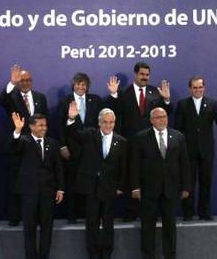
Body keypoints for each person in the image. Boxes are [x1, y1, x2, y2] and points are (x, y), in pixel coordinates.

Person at [107, 61, 172, 222]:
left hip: (152, 143)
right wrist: (114, 96)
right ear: (135, 74)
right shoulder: (124, 94)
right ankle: (130, 212)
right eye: (142, 74)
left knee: (152, 177)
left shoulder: (156, 93)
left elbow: (165, 116)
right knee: (131, 176)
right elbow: (116, 117)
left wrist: (167, 100)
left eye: (147, 75)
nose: (145, 77)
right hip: (131, 144)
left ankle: (153, 212)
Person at [57, 73, 121, 224]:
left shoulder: (95, 100)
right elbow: (59, 125)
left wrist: (113, 94)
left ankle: (91, 216)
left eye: (84, 84)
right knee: (73, 182)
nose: (81, 87)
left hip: (93, 149)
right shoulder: (66, 101)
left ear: (87, 86)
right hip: (73, 149)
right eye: (78, 84)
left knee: (93, 183)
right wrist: (63, 145)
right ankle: (72, 216)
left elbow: (108, 113)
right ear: (73, 85)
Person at [66, 105, 127, 259]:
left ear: (115, 123)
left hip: (109, 188)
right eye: (105, 122)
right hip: (91, 187)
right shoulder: (90, 134)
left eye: (111, 122)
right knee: (91, 223)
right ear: (99, 123)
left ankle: (106, 254)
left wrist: (120, 186)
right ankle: (93, 254)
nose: (108, 125)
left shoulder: (121, 141)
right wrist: (72, 119)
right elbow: (73, 134)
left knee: (108, 223)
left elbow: (124, 167)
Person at [130, 108, 190, 259]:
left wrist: (186, 187)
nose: (161, 120)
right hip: (149, 190)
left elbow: (185, 164)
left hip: (171, 190)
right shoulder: (141, 137)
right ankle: (148, 255)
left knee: (170, 227)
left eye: (164, 117)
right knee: (147, 227)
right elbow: (135, 164)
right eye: (157, 117)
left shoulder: (178, 137)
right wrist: (135, 186)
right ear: (151, 120)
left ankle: (170, 255)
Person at [175, 76, 217, 221]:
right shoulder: (182, 104)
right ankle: (188, 213)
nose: (198, 90)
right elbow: (177, 129)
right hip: (188, 151)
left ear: (204, 88)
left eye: (200, 87)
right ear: (190, 89)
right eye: (195, 87)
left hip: (206, 150)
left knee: (206, 181)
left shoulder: (212, 104)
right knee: (188, 183)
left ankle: (204, 212)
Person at [0, 65, 49, 226]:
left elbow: (45, 120)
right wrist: (12, 83)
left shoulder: (40, 97)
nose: (26, 83)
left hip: (37, 146)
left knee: (38, 182)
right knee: (15, 182)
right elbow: (2, 100)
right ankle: (14, 217)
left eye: (28, 80)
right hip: (18, 145)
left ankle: (37, 218)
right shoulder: (11, 96)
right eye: (22, 80)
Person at [10, 113, 64, 259]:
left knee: (47, 228)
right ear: (32, 126)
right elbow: (13, 148)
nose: (44, 128)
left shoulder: (52, 143)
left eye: (45, 125)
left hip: (48, 192)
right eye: (40, 125)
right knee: (30, 229)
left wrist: (60, 188)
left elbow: (58, 167)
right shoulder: (23, 141)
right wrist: (17, 131)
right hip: (29, 192)